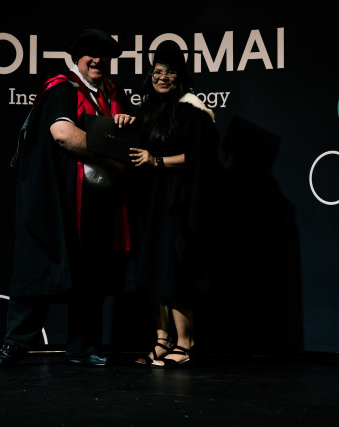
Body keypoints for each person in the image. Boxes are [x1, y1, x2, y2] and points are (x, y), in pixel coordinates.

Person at [0, 28, 135, 368]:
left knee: (92, 272)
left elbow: (131, 143)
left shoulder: (115, 94)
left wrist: (127, 127)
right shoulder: (62, 89)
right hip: (61, 198)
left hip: (99, 199)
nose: (97, 60)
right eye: (91, 54)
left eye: (104, 55)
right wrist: (112, 156)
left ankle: (83, 346)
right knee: (41, 264)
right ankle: (16, 343)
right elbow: (62, 134)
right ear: (77, 58)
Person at [128, 43, 220, 368]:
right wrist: (126, 122)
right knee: (153, 267)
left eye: (169, 72)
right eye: (157, 72)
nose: (162, 77)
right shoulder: (150, 109)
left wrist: (156, 161)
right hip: (152, 200)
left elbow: (199, 158)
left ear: (180, 76)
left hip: (178, 199)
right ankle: (162, 339)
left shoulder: (192, 110)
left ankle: (186, 342)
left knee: (175, 269)